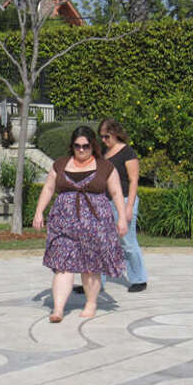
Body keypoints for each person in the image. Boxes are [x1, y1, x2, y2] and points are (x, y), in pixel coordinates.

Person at [33, 126, 128, 322]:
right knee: (62, 265)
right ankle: (58, 309)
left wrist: (121, 217)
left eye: (86, 146)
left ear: (93, 146)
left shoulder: (105, 167)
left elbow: (117, 193)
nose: (82, 150)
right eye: (77, 146)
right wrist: (38, 212)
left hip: (96, 225)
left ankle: (91, 303)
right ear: (72, 146)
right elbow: (49, 188)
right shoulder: (60, 164)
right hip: (63, 225)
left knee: (90, 267)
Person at [99, 118, 148, 292]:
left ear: (114, 133)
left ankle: (139, 279)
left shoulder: (128, 152)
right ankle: (97, 283)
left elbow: (134, 180)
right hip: (106, 201)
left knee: (127, 242)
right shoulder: (105, 153)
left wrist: (129, 207)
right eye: (101, 137)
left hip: (125, 200)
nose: (104, 140)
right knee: (102, 242)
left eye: (106, 137)